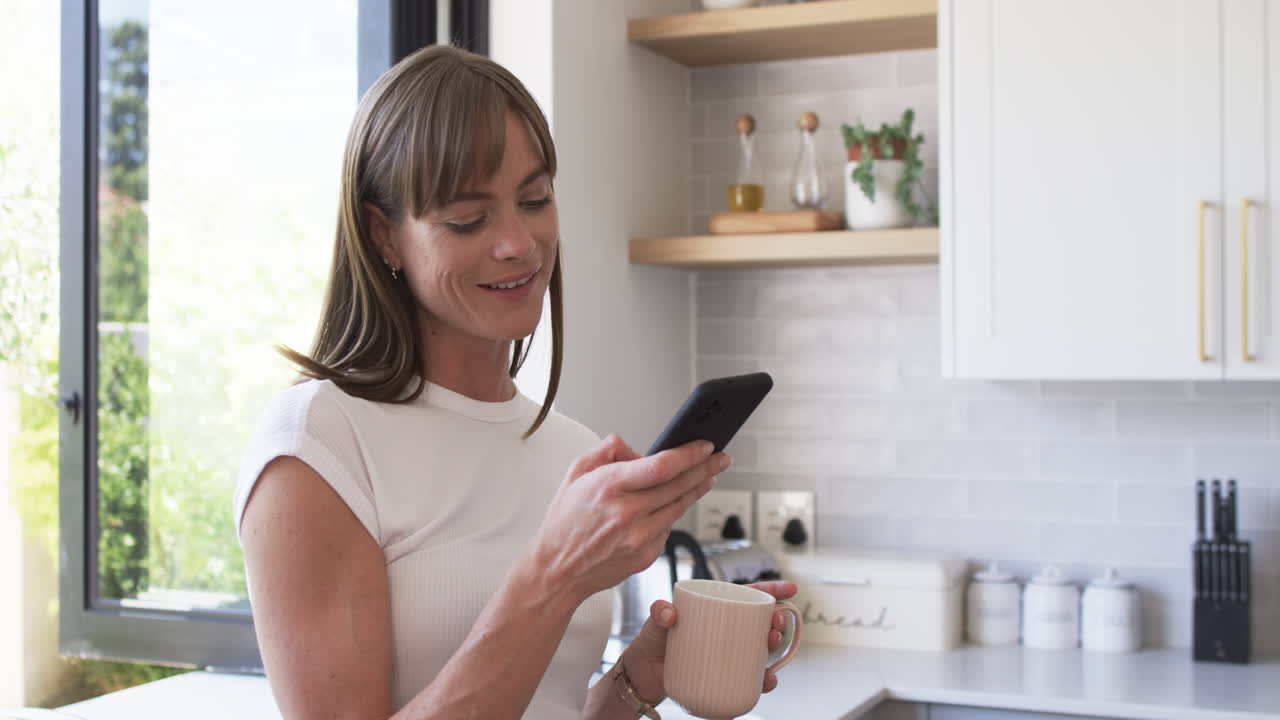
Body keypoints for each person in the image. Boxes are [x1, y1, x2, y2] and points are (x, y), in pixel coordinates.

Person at [233, 44, 795, 720]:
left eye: (534, 200)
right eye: (469, 219)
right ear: (384, 235)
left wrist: (633, 682)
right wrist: (554, 576)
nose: (519, 243)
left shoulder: (566, 449)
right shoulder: (320, 444)